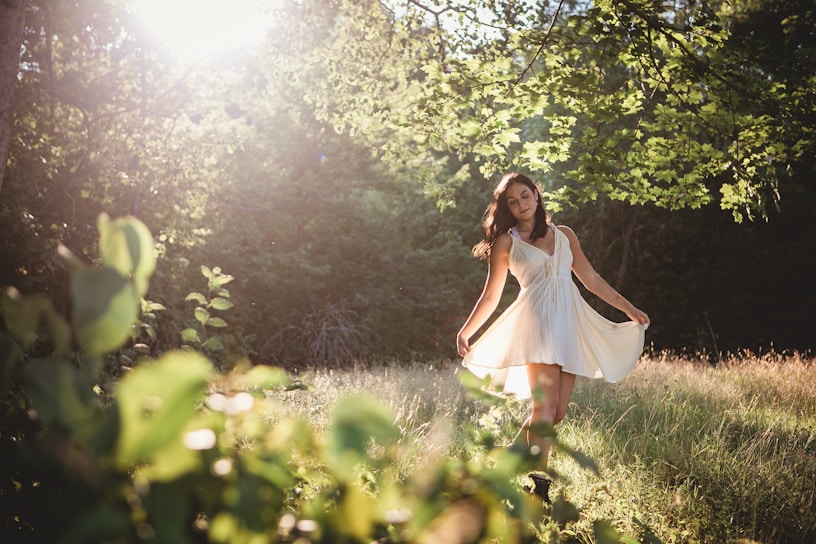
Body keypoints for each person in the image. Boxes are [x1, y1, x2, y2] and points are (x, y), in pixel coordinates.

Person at [456, 172, 649, 502]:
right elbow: (491, 296)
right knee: (543, 410)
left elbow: (591, 279)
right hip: (537, 324)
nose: (521, 205)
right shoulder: (507, 241)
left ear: (536, 194)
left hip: (569, 325)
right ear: (506, 208)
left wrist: (629, 309)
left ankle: (503, 465)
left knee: (556, 411)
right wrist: (466, 331)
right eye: (512, 202)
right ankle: (536, 487)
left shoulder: (565, 235)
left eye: (525, 196)